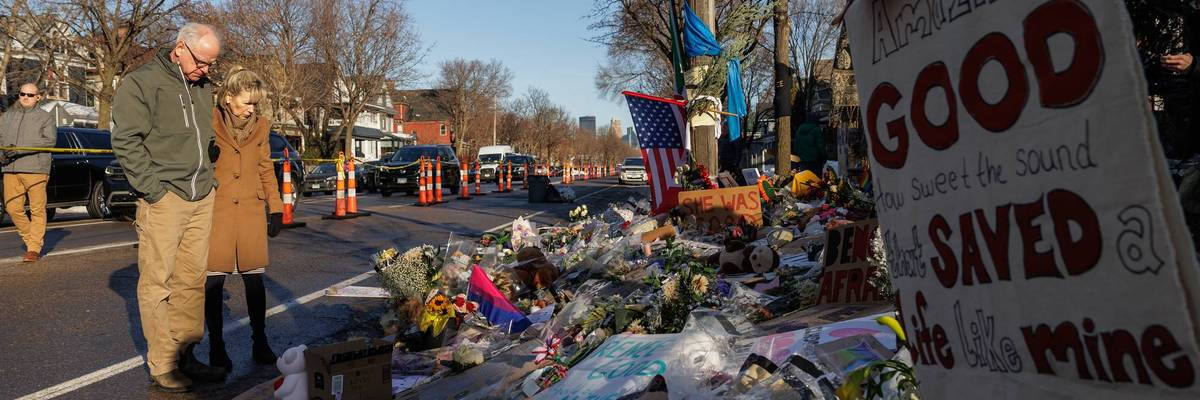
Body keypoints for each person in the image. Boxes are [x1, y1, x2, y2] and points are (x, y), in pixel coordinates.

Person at [111, 22, 226, 393]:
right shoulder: (142, 83)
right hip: (166, 198)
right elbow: (126, 141)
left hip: (201, 195)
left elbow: (203, 136)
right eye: (202, 62)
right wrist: (154, 192)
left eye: (212, 64)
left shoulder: (202, 84)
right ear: (179, 48)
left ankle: (186, 354)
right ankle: (163, 364)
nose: (206, 70)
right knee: (158, 283)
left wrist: (209, 174)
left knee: (192, 281)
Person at [199, 66, 284, 372]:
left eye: (255, 103)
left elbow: (265, 168)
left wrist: (275, 207)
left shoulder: (261, 127)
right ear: (230, 96)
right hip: (217, 209)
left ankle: (260, 340)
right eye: (247, 102)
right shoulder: (208, 120)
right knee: (213, 280)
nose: (252, 109)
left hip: (250, 209)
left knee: (254, 279)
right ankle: (216, 346)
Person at [0, 83, 54, 262]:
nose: (25, 97)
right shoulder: (7, 116)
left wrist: (20, 150)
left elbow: (50, 141)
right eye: (22, 93)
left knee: (37, 209)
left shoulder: (45, 118)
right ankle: (31, 238)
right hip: (11, 168)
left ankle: (33, 248)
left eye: (30, 95)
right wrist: (2, 155)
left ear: (38, 97)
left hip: (36, 169)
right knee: (12, 208)